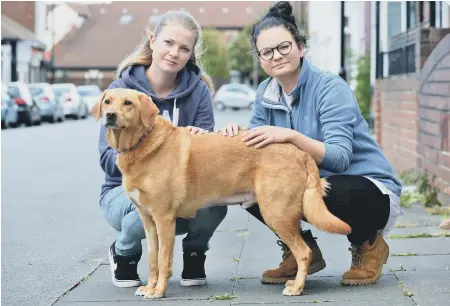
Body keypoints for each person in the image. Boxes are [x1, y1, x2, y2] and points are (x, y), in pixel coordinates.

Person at [221, 1, 403, 286]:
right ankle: (302, 249)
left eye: (284, 47)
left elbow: (340, 159)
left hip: (366, 188)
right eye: (267, 52)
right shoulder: (264, 93)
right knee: (248, 185)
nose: (276, 56)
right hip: (311, 185)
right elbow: (257, 156)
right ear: (260, 59)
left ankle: (369, 245)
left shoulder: (330, 87)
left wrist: (291, 136)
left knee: (334, 188)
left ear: (301, 47)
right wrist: (238, 135)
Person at [98, 10, 227, 289]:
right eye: (168, 43)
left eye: (183, 48)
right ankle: (125, 253)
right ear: (153, 40)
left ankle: (194, 253)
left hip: (180, 188)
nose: (174, 53)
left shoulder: (199, 91)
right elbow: (107, 158)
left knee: (215, 204)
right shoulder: (120, 91)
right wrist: (148, 162)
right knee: (143, 208)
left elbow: (207, 150)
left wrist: (200, 139)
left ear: (190, 54)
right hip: (122, 191)